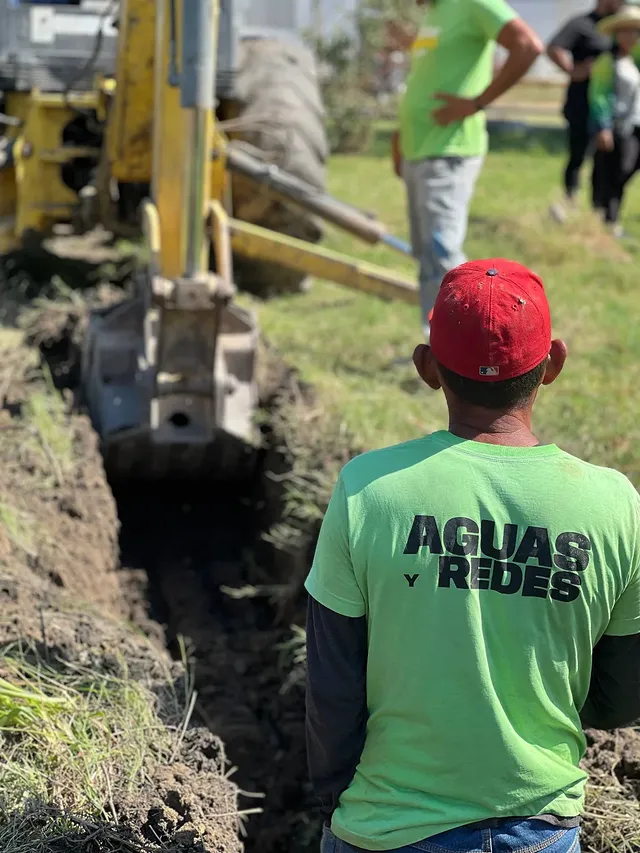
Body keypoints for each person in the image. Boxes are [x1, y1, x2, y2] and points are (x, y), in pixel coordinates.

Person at [305, 258, 640, 853]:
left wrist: (334, 796)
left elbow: (333, 684)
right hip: (540, 828)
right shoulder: (616, 505)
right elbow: (619, 697)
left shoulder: (368, 489)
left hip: (385, 829)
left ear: (427, 368)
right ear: (553, 364)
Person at [391, 1, 542, 342]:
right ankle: (437, 344)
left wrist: (476, 103)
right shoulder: (436, 11)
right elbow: (427, 80)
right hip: (421, 149)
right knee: (426, 257)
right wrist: (402, 136)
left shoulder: (475, 3)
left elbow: (528, 46)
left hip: (450, 150)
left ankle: (466, 350)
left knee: (442, 256)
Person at [546, 0, 621, 221]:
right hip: (581, 104)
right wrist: (572, 71)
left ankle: (598, 206)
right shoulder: (581, 24)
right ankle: (571, 199)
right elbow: (554, 48)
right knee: (578, 154)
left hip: (610, 107)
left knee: (605, 158)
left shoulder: (618, 27)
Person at [589, 5, 640, 236]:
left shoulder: (634, 61)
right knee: (619, 169)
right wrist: (603, 126)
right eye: (627, 31)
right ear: (617, 33)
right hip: (620, 127)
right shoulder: (607, 61)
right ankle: (609, 219)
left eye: (636, 31)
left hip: (636, 124)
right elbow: (599, 93)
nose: (632, 36)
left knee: (626, 170)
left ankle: (608, 214)